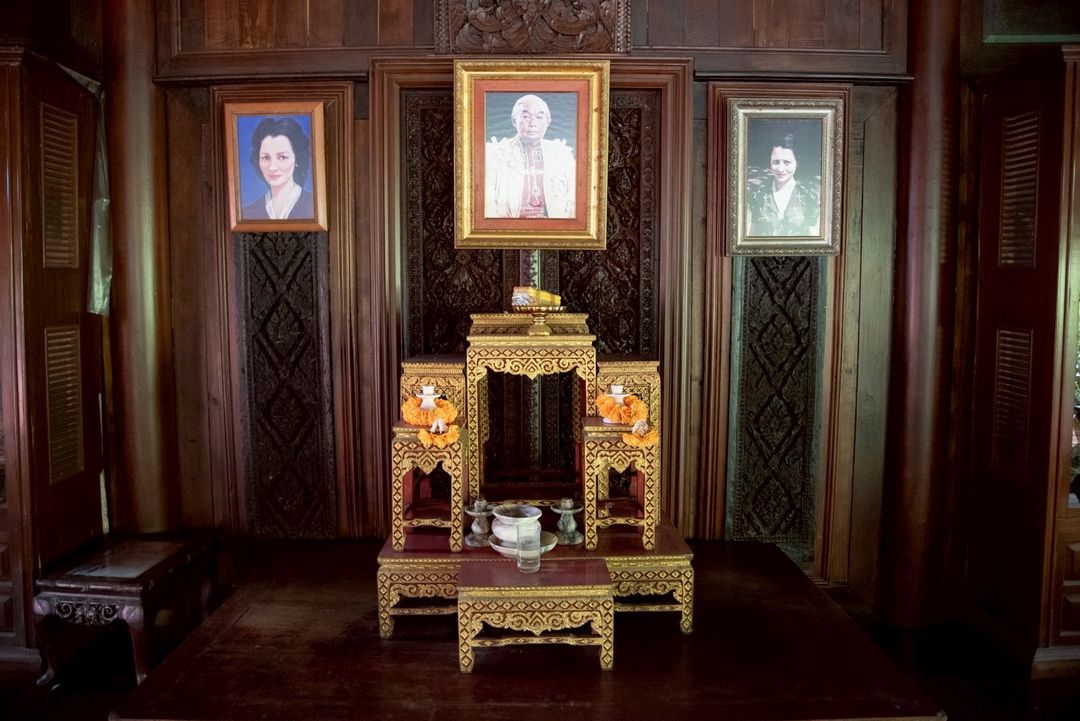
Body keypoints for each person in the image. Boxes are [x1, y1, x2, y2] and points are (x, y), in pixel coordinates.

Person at [484, 94, 576, 219]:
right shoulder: (496, 154)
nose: (533, 123)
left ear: (548, 122)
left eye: (539, 117)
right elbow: (487, 202)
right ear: (514, 121)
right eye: (526, 117)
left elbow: (574, 199)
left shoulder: (561, 154)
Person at [242, 117, 315, 221]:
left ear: (297, 160)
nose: (272, 167)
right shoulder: (247, 213)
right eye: (265, 157)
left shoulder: (313, 207)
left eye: (282, 157)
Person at [747, 132, 820, 236]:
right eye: (776, 162)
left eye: (787, 162)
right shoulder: (757, 196)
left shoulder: (810, 197)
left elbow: (813, 237)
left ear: (797, 162)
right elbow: (752, 235)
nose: (780, 169)